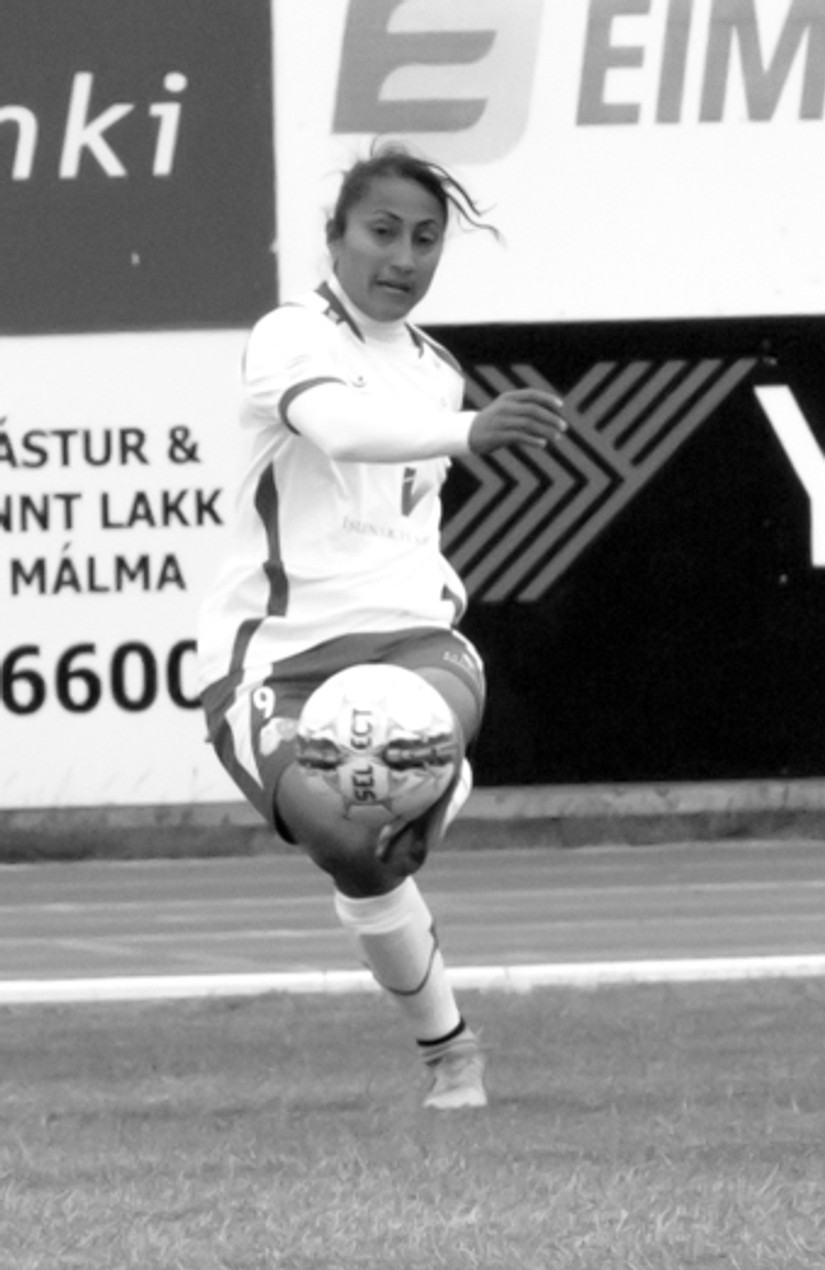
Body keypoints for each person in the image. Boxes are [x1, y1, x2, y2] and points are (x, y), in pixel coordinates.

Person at [196, 144, 566, 1109]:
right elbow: (343, 429)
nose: (403, 257)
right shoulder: (289, 335)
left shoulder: (436, 371)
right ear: (336, 238)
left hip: (411, 637)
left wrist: (460, 420)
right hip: (275, 659)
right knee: (354, 849)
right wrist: (472, 429)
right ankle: (449, 1044)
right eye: (383, 232)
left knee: (415, 726)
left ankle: (431, 770)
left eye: (426, 239)